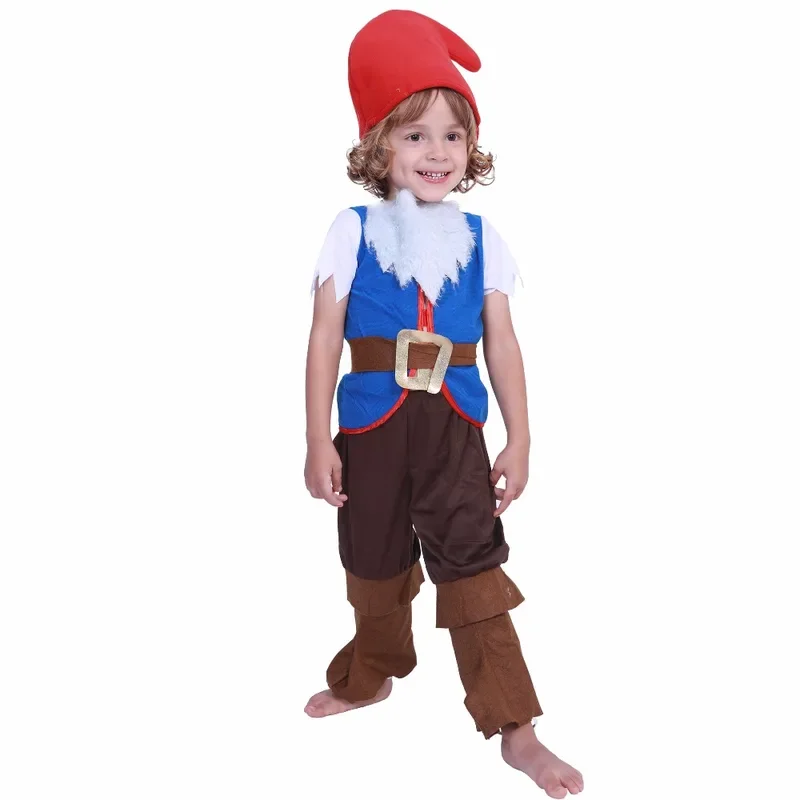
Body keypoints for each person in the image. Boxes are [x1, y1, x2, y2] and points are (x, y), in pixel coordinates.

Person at [302, 10, 584, 798]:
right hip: (369, 427)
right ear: (378, 146)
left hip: (456, 432)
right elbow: (324, 338)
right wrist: (317, 439)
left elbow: (503, 344)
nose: (437, 152)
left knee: (474, 568)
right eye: (416, 134)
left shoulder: (484, 239)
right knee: (372, 561)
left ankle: (517, 729)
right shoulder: (351, 230)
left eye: (453, 135)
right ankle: (371, 674)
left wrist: (520, 438)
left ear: (472, 147)